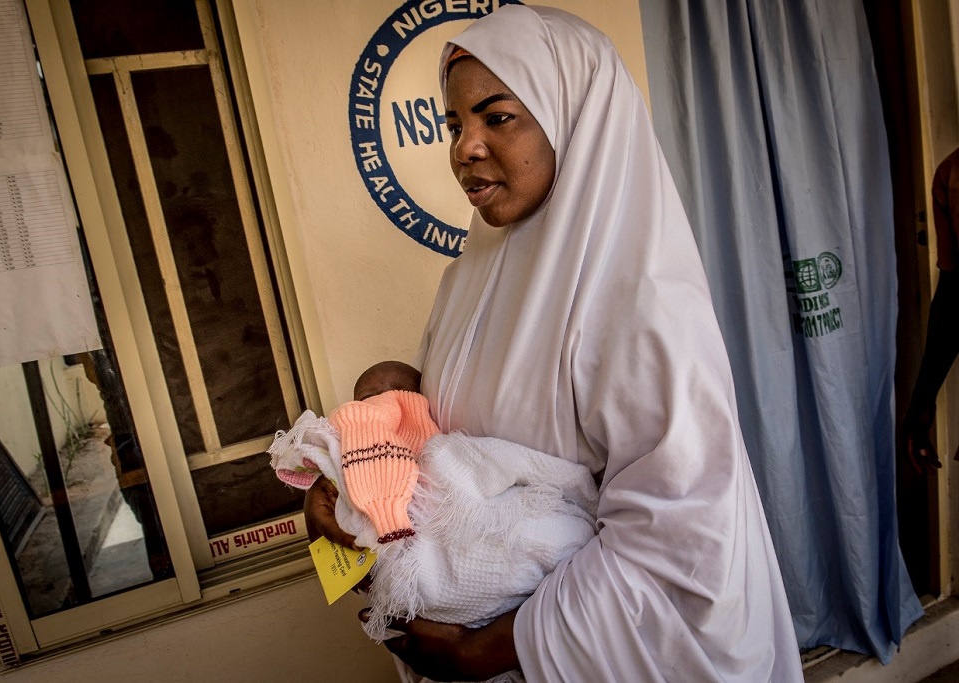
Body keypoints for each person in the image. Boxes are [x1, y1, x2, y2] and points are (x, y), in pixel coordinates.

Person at [307, 5, 803, 681]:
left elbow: (679, 541)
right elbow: (481, 427)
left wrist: (477, 651)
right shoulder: (470, 279)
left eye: (496, 116)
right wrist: (356, 474)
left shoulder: (643, 301)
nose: (464, 148)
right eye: (454, 125)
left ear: (574, 117)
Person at [273, 360, 598, 656]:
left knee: (549, 538)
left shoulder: (447, 453)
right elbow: (323, 471)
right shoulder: (354, 458)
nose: (385, 402)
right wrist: (334, 484)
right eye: (368, 397)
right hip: (423, 590)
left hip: (504, 551)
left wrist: (582, 496)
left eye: (400, 392)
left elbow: (518, 465)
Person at [902, 146, 959, 473]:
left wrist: (921, 405)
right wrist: (921, 404)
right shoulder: (951, 171)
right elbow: (954, 292)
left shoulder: (951, 169)